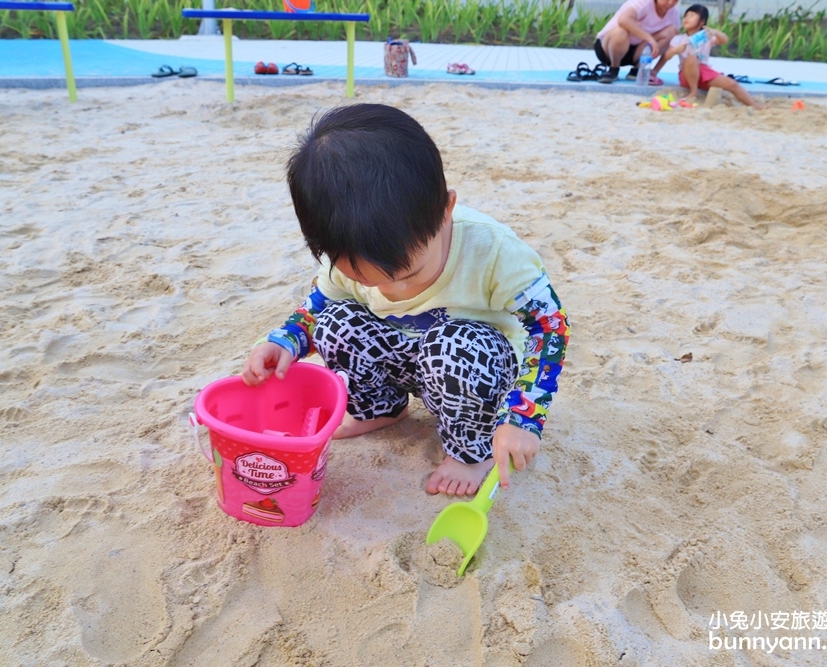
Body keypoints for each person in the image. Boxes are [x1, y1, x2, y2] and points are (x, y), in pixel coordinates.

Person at [242, 104, 570, 497]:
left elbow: (550, 329)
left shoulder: (494, 252)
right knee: (337, 322)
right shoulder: (343, 254)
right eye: (363, 277)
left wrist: (524, 417)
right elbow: (318, 307)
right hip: (403, 356)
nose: (391, 292)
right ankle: (382, 408)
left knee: (454, 348)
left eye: (409, 275)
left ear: (445, 212)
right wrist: (285, 342)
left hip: (474, 368)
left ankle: (473, 448)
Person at [664, 4, 764, 109]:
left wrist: (715, 32)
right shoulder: (678, 39)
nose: (687, 18)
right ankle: (694, 91)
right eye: (686, 16)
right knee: (691, 58)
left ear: (702, 21)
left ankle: (755, 105)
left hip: (704, 72)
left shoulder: (706, 37)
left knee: (732, 84)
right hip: (687, 74)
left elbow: (724, 40)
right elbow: (667, 56)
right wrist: (676, 50)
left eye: (692, 15)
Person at [594, 0, 680, 85]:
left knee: (672, 32)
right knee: (621, 31)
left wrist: (654, 71)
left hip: (638, 52)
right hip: (609, 48)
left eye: (675, 0)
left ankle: (637, 70)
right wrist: (649, 38)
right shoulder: (643, 2)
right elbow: (623, 20)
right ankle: (613, 69)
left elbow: (672, 46)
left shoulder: (674, 12)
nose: (670, 3)